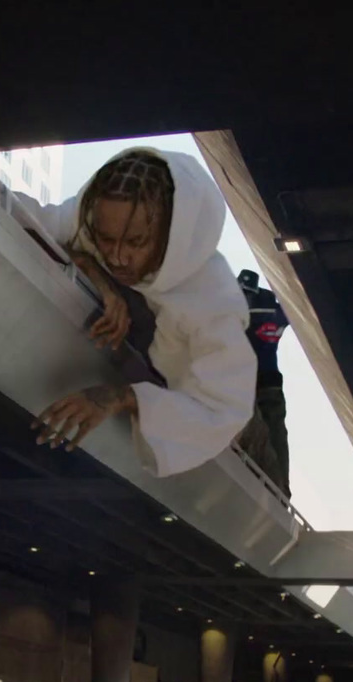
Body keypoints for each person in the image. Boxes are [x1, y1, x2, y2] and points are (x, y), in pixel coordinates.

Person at [28, 148, 256, 478]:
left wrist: (120, 397)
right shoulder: (88, 222)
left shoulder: (214, 303)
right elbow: (28, 217)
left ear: (169, 235)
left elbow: (222, 412)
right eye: (106, 240)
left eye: (135, 242)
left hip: (226, 412)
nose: (117, 256)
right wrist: (95, 273)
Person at [237, 269, 291, 491]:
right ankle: (281, 486)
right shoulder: (275, 311)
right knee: (276, 429)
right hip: (271, 379)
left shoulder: (231, 310)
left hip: (242, 378)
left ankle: (249, 474)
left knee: (247, 428)